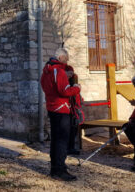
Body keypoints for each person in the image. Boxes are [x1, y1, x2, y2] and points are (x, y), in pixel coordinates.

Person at [40, 48, 81, 181]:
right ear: (61, 58)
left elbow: (47, 86)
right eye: (66, 58)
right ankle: (60, 170)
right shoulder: (59, 71)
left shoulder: (47, 70)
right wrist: (77, 88)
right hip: (61, 109)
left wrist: (65, 76)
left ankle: (55, 169)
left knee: (55, 140)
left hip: (52, 107)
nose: (67, 61)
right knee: (62, 141)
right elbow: (64, 91)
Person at [65, 65, 82, 156]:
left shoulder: (74, 78)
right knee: (67, 129)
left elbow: (77, 96)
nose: (71, 75)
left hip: (73, 109)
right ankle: (67, 148)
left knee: (73, 128)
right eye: (70, 73)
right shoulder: (64, 81)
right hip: (67, 109)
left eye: (72, 73)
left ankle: (71, 147)